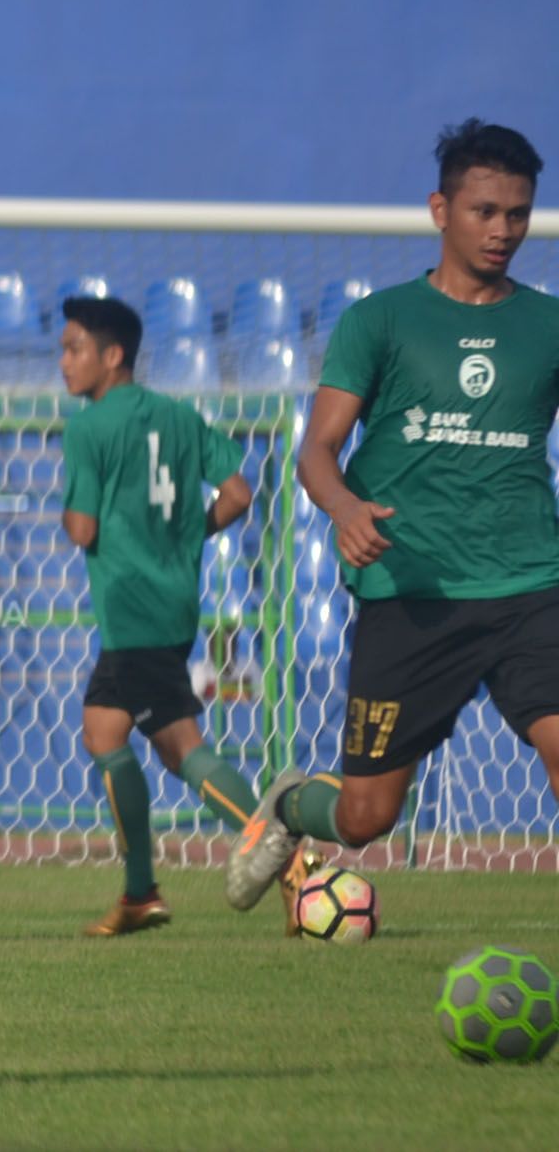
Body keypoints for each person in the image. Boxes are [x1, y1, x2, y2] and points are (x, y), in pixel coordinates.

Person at [229, 119, 559, 908]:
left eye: (518, 213)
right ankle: (287, 807)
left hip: (530, 586)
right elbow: (317, 451)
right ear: (439, 210)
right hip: (411, 597)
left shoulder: (547, 326)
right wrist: (343, 508)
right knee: (365, 816)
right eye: (484, 211)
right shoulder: (380, 321)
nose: (502, 230)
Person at [50, 296, 265, 936]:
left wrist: (74, 515)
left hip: (131, 611)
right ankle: (140, 892)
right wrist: (186, 536)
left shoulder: (89, 428)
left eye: (73, 348)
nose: (62, 361)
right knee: (104, 732)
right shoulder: (177, 415)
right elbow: (240, 492)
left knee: (182, 750)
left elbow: (82, 529)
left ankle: (287, 857)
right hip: (173, 603)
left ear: (112, 356)